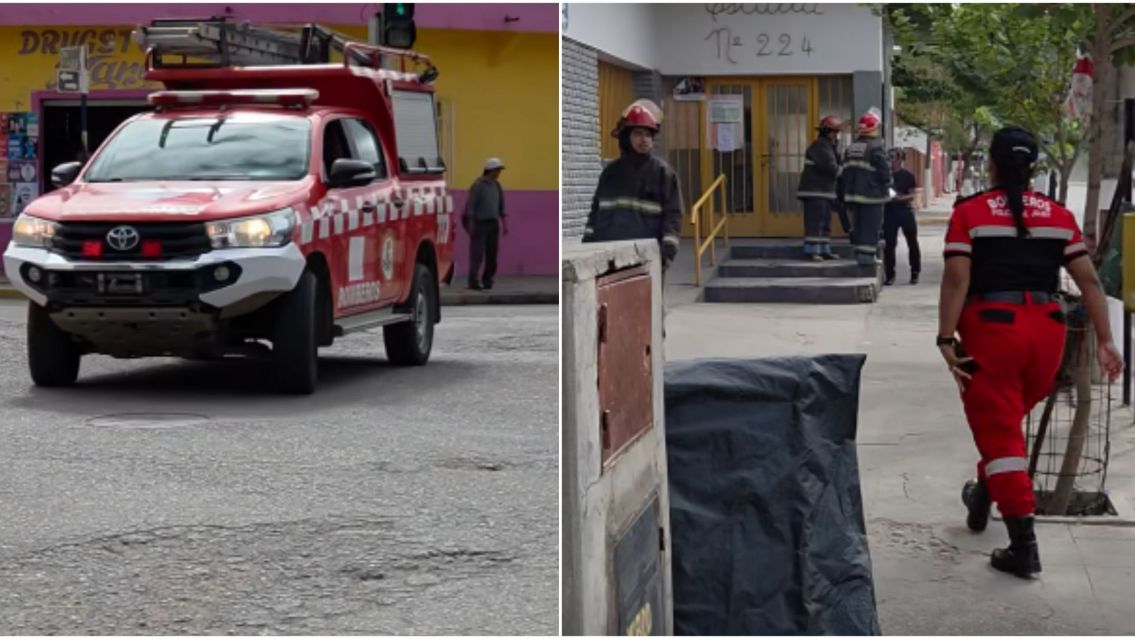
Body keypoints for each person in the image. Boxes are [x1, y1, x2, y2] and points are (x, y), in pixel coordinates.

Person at [937, 126, 1123, 579]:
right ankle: (983, 495)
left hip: (992, 331)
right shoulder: (1058, 215)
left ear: (993, 165)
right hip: (1048, 334)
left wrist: (945, 338)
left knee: (1000, 433)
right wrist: (1105, 340)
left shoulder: (971, 212)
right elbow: (1090, 283)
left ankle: (1024, 546)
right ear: (1034, 168)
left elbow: (958, 280)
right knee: (1004, 420)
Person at [582, 99, 683, 273]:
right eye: (638, 134)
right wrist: (587, 246)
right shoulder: (610, 173)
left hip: (646, 258)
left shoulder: (663, 173)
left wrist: (666, 254)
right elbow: (595, 212)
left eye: (648, 135)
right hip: (608, 257)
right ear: (626, 138)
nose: (644, 140)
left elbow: (673, 216)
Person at [839, 108, 891, 267]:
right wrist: (888, 184)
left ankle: (860, 255)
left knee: (859, 225)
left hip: (853, 195)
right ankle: (867, 259)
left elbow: (844, 172)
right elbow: (884, 173)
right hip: (871, 195)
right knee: (871, 226)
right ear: (874, 128)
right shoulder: (876, 147)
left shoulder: (851, 148)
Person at [797, 115, 843, 262]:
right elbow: (832, 168)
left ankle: (824, 250)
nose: (837, 136)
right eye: (835, 133)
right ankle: (812, 251)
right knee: (815, 223)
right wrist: (846, 169)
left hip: (824, 192)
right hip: (815, 191)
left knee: (825, 222)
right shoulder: (821, 146)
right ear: (828, 132)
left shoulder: (828, 146)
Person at [463, 157, 508, 291]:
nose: (499, 173)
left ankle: (487, 280)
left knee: (492, 255)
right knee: (477, 254)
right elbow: (470, 205)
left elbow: (501, 206)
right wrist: (471, 223)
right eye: (497, 170)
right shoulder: (478, 185)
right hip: (479, 224)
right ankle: (473, 281)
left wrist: (504, 224)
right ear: (490, 170)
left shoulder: (497, 186)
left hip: (493, 224)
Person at [883, 148, 921, 285]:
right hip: (889, 212)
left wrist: (901, 198)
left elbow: (912, 194)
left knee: (912, 242)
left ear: (900, 159)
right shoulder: (885, 175)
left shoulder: (907, 175)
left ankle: (915, 272)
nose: (890, 161)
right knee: (889, 244)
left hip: (904, 211)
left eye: (892, 158)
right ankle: (889, 275)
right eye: (888, 158)